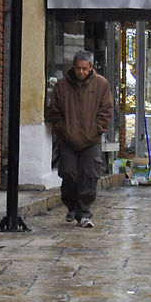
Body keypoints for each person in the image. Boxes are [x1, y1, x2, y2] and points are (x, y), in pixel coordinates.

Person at [45, 50, 114, 228]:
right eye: (78, 69)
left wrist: (97, 129)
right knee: (68, 173)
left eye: (84, 69)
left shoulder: (101, 84)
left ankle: (84, 212)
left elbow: (107, 110)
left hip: (91, 140)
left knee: (89, 175)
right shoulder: (62, 86)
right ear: (73, 68)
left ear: (91, 68)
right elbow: (54, 112)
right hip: (68, 139)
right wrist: (63, 129)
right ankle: (71, 205)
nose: (81, 72)